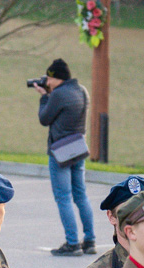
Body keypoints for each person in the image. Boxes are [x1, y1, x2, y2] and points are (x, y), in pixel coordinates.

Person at [35, 58, 95, 257]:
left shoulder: (58, 94)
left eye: (49, 78)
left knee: (63, 197)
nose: (47, 82)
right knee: (81, 195)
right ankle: (89, 240)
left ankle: (72, 243)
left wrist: (44, 97)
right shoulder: (81, 90)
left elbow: (44, 118)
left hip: (60, 152)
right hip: (78, 148)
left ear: (56, 77)